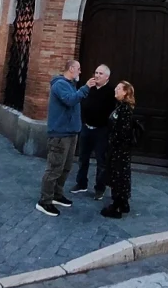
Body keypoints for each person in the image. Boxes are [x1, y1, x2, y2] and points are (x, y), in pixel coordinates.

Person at [37, 60, 97, 217]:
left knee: (66, 167)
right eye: (78, 68)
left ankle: (57, 194)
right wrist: (86, 88)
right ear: (71, 69)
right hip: (59, 134)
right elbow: (70, 100)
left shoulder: (70, 84)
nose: (80, 72)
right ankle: (45, 201)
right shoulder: (60, 85)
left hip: (70, 133)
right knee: (54, 168)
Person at [72, 64, 115, 201]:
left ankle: (99, 188)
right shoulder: (88, 88)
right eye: (96, 72)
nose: (96, 75)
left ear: (107, 77)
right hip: (86, 128)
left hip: (101, 131)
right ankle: (81, 183)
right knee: (82, 158)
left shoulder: (111, 92)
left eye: (100, 73)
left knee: (101, 161)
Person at [101, 81, 136, 219]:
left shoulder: (125, 109)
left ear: (125, 92)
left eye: (119, 88)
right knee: (120, 175)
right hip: (118, 149)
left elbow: (122, 131)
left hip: (120, 150)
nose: (115, 89)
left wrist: (113, 142)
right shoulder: (120, 106)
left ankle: (117, 206)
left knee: (118, 176)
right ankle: (123, 202)